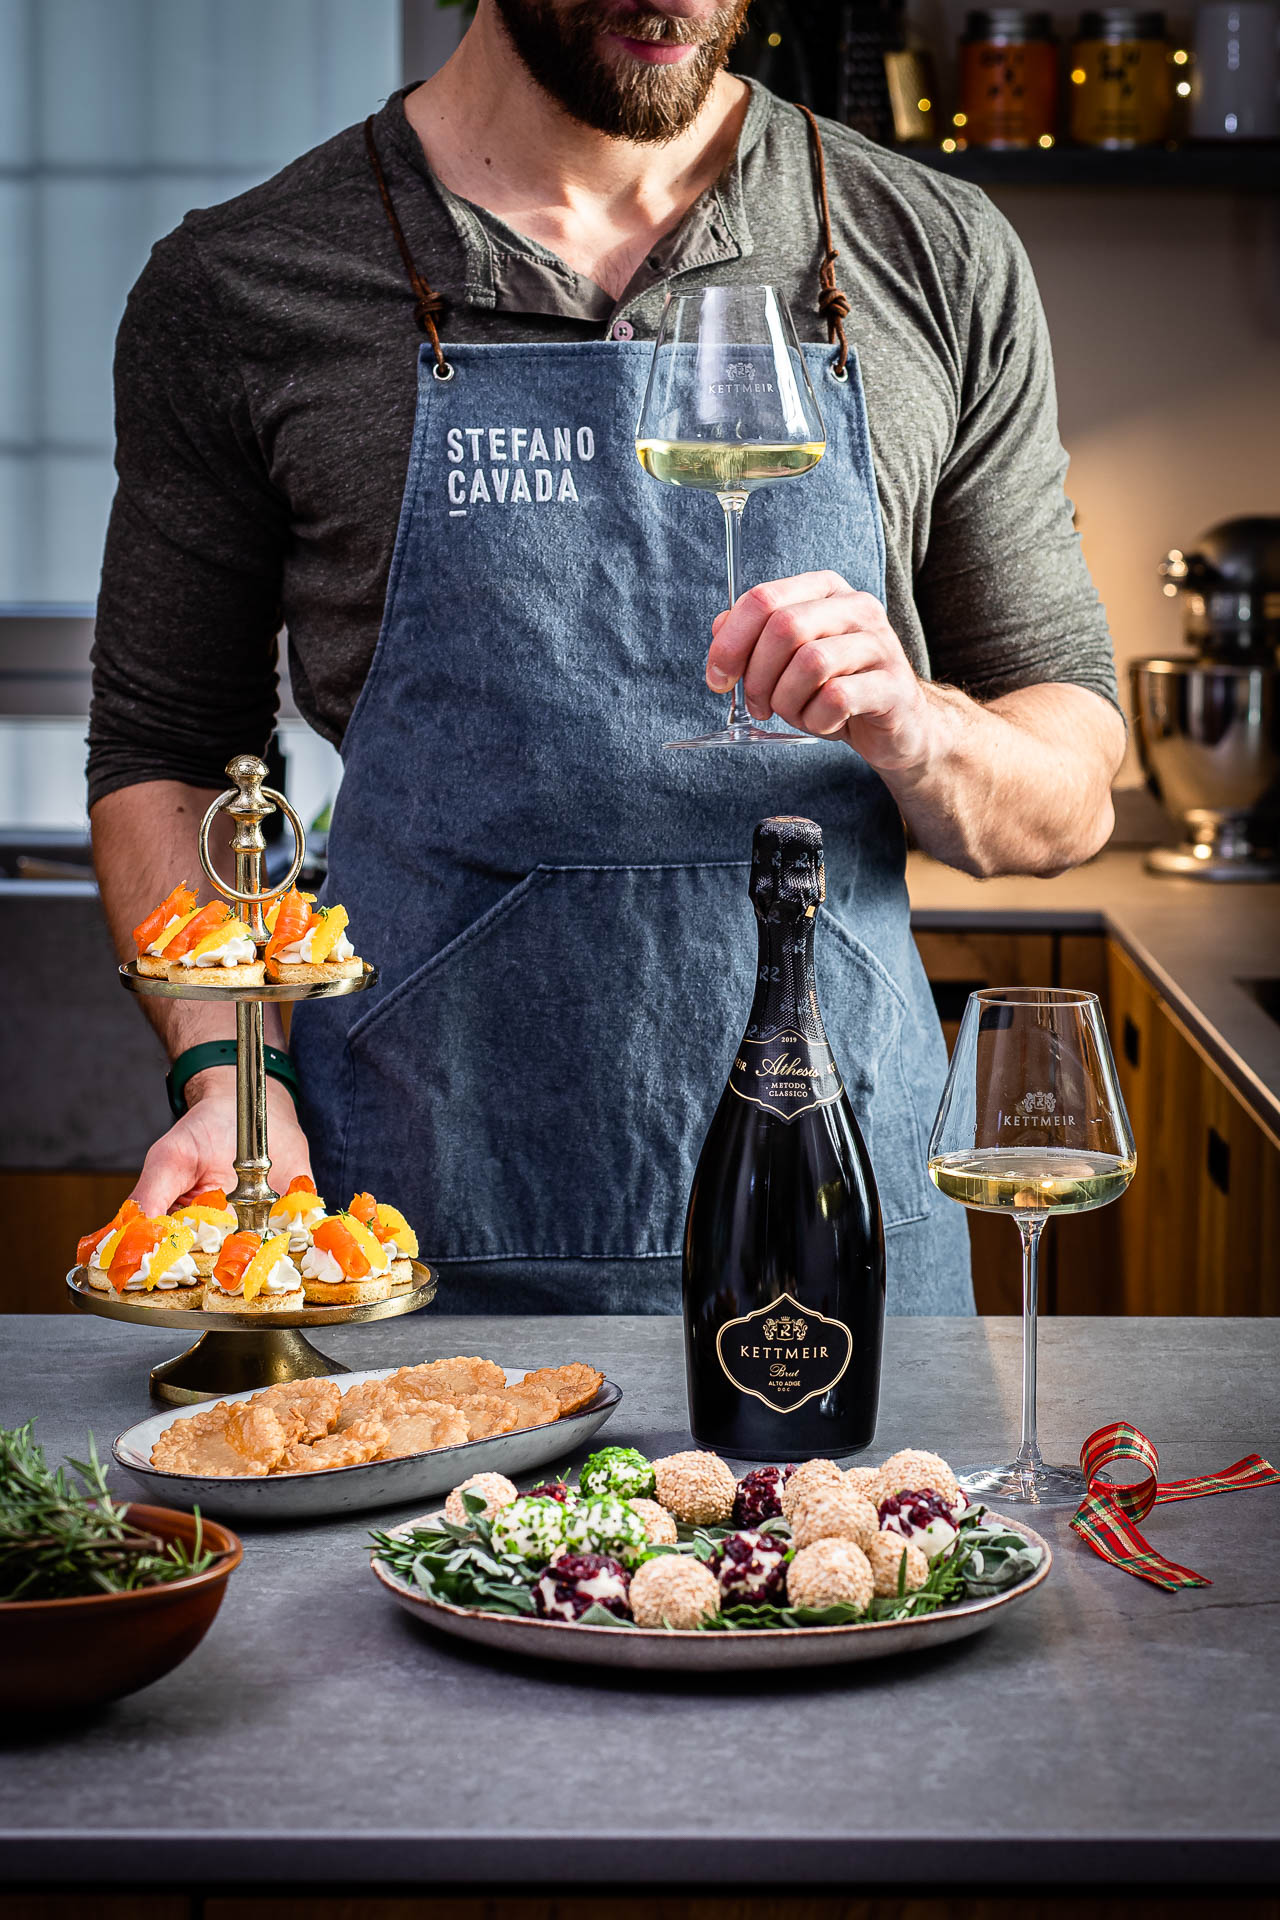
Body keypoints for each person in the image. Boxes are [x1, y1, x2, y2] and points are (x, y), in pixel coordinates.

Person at [89, 0, 1125, 1315]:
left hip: (844, 1224)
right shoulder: (245, 285)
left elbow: (1073, 777)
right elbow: (164, 760)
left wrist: (922, 728)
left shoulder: (934, 251)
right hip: (403, 1236)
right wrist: (236, 1086)